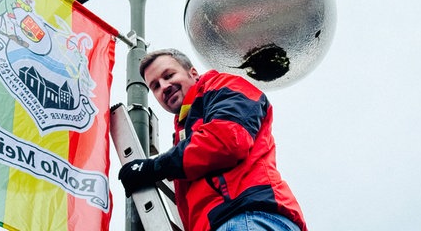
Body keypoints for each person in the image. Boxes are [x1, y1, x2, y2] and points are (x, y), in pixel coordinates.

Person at [118, 48, 307, 231]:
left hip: (245, 215)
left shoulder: (225, 87)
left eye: (169, 76)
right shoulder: (185, 129)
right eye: (155, 86)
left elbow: (226, 141)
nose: (164, 87)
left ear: (193, 73)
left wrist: (153, 167)